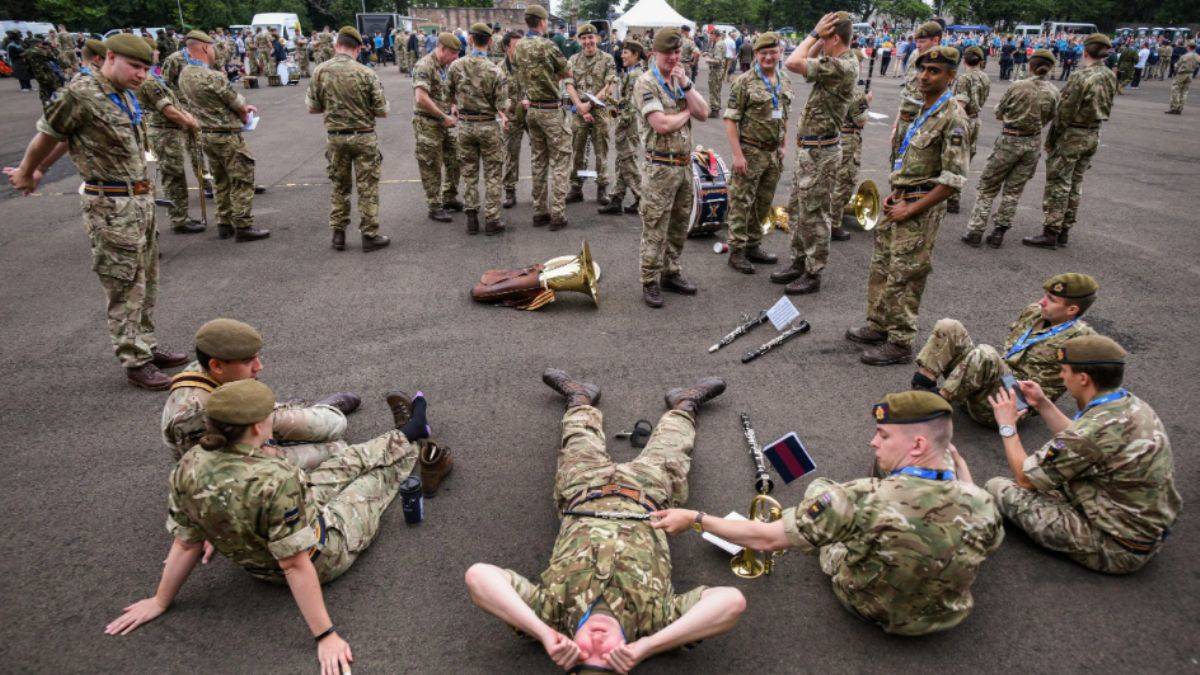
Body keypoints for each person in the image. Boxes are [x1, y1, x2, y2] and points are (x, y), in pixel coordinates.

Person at [105, 377, 442, 673]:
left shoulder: (189, 465)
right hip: (323, 552)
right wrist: (325, 635)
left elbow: (186, 543)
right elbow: (295, 564)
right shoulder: (277, 479)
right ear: (256, 428)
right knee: (376, 480)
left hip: (275, 538)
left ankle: (408, 431)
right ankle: (415, 443)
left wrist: (160, 600)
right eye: (271, 414)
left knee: (342, 462)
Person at [653, 391, 1003, 636]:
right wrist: (963, 478)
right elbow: (985, 545)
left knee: (821, 487)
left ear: (917, 445)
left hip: (869, 605)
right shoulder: (984, 503)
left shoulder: (858, 497)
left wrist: (694, 518)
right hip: (947, 616)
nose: (873, 442)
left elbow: (768, 538)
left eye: (883, 435)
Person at [465, 369, 744, 672]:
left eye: (584, 658)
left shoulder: (551, 615)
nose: (596, 647)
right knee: (673, 447)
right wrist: (648, 646)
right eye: (608, 659)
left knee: (578, 439)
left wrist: (543, 634)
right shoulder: (655, 622)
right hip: (648, 495)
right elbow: (731, 602)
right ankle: (685, 403)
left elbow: (479, 577)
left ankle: (579, 398)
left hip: (582, 491)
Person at [4, 34, 190, 390]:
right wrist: (30, 171)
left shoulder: (122, 93)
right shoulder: (81, 92)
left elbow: (67, 138)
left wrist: (41, 169)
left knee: (146, 279)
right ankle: (134, 360)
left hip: (138, 199)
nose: (140, 75)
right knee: (123, 283)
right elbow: (50, 133)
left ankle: (146, 344)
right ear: (110, 58)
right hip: (110, 204)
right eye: (134, 67)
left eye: (145, 68)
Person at [986, 335, 1180, 574]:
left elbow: (1025, 477)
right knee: (1056, 477)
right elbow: (1084, 441)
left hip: (1119, 548)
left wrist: (1007, 427)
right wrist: (1043, 403)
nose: (1061, 377)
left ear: (1083, 378)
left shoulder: (1088, 435)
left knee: (998, 487)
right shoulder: (1130, 405)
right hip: (1142, 525)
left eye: (1064, 371)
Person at [847, 45, 968, 366]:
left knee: (907, 273)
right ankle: (878, 324)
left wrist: (911, 208)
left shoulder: (953, 117)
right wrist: (896, 194)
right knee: (882, 267)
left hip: (920, 211)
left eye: (934, 71)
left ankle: (900, 341)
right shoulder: (923, 109)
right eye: (923, 70)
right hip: (899, 201)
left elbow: (952, 180)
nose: (924, 76)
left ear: (950, 76)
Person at [161, 318, 369, 465]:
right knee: (336, 446)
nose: (259, 367)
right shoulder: (196, 415)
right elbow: (216, 465)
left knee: (331, 424)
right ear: (216, 365)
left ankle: (312, 411)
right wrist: (268, 446)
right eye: (247, 361)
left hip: (237, 425)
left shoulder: (202, 369)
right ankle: (319, 412)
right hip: (235, 461)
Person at [912, 273, 1096, 427]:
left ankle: (933, 406)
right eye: (1045, 296)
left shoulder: (1082, 340)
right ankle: (923, 387)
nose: (1042, 302)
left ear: (1072, 309)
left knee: (986, 353)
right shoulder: (1034, 312)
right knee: (949, 326)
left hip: (1011, 405)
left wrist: (1084, 425)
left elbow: (1093, 383)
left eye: (1051, 300)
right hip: (991, 380)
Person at [769, 12, 857, 296]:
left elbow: (792, 62)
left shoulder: (842, 66)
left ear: (833, 37)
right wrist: (821, 38)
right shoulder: (836, 62)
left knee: (816, 213)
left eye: (825, 37)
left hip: (822, 152)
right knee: (798, 209)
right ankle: (798, 261)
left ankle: (813, 271)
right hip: (812, 150)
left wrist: (814, 34)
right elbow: (805, 60)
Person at [635, 28, 709, 308]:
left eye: (677, 52)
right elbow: (661, 124)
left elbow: (703, 112)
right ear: (654, 53)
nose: (673, 58)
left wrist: (687, 86)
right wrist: (687, 112)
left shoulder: (680, 79)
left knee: (679, 226)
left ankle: (671, 271)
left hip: (683, 166)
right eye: (668, 53)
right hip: (659, 168)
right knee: (655, 227)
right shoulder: (646, 83)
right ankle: (649, 280)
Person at [1024, 33, 1116, 250]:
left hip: (1073, 134)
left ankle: (1051, 231)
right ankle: (1065, 228)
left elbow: (1065, 111)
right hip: (1093, 132)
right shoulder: (1109, 75)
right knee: (1075, 182)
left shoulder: (1080, 76)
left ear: (1085, 51)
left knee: (1059, 183)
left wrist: (1052, 139)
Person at [178, 31, 270, 242]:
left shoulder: (185, 75)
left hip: (206, 134)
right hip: (227, 136)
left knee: (220, 180)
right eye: (212, 48)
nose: (214, 52)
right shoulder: (211, 76)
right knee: (242, 178)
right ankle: (243, 225)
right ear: (204, 48)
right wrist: (245, 113)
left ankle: (224, 222)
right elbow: (236, 104)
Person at [306, 27, 391, 251]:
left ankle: (338, 234)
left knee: (339, 186)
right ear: (359, 47)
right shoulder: (367, 73)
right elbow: (383, 111)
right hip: (363, 136)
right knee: (367, 188)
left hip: (335, 137)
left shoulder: (320, 71)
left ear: (336, 46)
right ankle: (369, 235)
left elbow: (313, 108)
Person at [962, 49, 1058, 248]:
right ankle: (999, 232)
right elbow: (1050, 118)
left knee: (987, 187)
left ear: (1031, 65)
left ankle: (976, 230)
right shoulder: (1054, 92)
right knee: (1013, 191)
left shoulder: (1018, 86)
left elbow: (999, 111)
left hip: (1010, 140)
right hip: (1032, 143)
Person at [722, 32, 790, 274]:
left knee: (763, 203)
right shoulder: (744, 81)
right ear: (757, 55)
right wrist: (737, 155)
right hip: (749, 151)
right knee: (741, 202)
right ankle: (737, 251)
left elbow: (784, 114)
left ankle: (753, 245)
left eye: (773, 52)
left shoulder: (784, 80)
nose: (769, 57)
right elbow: (730, 120)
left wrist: (783, 144)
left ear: (780, 52)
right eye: (764, 53)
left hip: (773, 155)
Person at [513, 5, 572, 230]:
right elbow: (567, 72)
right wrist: (550, 77)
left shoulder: (519, 47)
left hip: (533, 110)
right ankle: (557, 213)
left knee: (539, 161)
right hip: (550, 109)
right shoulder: (548, 45)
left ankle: (539, 211)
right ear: (541, 21)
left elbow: (520, 72)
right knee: (560, 161)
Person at [136, 42, 205, 235]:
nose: (158, 52)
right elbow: (168, 110)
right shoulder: (149, 81)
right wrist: (189, 121)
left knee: (174, 174)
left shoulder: (152, 77)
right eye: (155, 50)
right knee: (173, 176)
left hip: (167, 131)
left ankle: (180, 216)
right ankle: (179, 219)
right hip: (164, 132)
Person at [448, 23, 509, 236]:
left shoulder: (456, 66)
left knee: (469, 172)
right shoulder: (495, 70)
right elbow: (502, 104)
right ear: (490, 41)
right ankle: (492, 219)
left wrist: (457, 107)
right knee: (493, 173)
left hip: (465, 125)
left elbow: (448, 94)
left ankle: (471, 217)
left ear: (471, 40)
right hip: (487, 125)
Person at [412, 32, 464, 223]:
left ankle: (449, 197)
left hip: (444, 123)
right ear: (442, 49)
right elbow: (421, 97)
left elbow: (446, 92)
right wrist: (443, 116)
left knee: (456, 158)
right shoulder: (425, 65)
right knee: (431, 164)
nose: (456, 58)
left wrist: (452, 105)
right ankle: (434, 205)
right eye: (453, 53)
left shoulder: (444, 67)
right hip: (428, 123)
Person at [564, 23, 617, 206]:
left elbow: (610, 84)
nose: (588, 41)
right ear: (579, 40)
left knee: (601, 152)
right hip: (579, 113)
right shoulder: (572, 59)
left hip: (600, 112)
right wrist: (580, 105)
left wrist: (590, 104)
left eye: (590, 37)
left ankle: (602, 189)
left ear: (597, 38)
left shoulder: (607, 58)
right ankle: (576, 188)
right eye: (584, 38)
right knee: (577, 151)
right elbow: (569, 84)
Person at [599, 38, 646, 216]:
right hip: (630, 123)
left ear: (635, 55)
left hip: (629, 126)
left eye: (626, 53)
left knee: (628, 162)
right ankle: (617, 199)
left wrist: (618, 122)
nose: (622, 55)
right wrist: (610, 100)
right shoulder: (633, 73)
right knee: (622, 162)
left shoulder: (635, 76)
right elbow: (627, 103)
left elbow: (630, 107)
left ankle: (643, 199)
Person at [946, 46, 990, 214]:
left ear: (964, 60)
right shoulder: (985, 77)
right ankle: (955, 194)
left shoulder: (965, 78)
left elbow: (961, 105)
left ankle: (952, 198)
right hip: (975, 120)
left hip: (962, 122)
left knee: (955, 157)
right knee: (966, 159)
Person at [831, 80, 870, 234]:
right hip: (848, 140)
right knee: (844, 181)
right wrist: (866, 101)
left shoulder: (830, 84)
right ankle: (834, 224)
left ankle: (829, 216)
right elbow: (861, 121)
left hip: (832, 137)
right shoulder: (856, 92)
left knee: (831, 178)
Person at [500, 30, 526, 209]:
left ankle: (541, 191)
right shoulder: (499, 69)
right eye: (517, 46)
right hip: (512, 116)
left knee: (541, 153)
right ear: (507, 47)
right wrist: (507, 111)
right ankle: (510, 191)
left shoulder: (529, 64)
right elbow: (498, 97)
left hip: (532, 113)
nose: (520, 50)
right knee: (511, 154)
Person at [1166, 42, 1198, 114]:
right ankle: (1180, 108)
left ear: (1189, 47)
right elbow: (1197, 66)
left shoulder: (1184, 56)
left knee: (1175, 90)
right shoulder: (1197, 56)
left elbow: (1177, 65)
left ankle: (1174, 107)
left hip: (1182, 74)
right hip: (1190, 74)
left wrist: (1176, 68)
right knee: (1184, 92)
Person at [706, 30, 730, 117]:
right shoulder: (721, 43)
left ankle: (714, 110)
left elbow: (718, 60)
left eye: (711, 36)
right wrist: (709, 53)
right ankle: (716, 108)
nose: (710, 38)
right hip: (719, 70)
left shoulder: (718, 44)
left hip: (716, 70)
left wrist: (708, 60)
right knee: (717, 90)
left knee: (714, 90)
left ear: (715, 35)